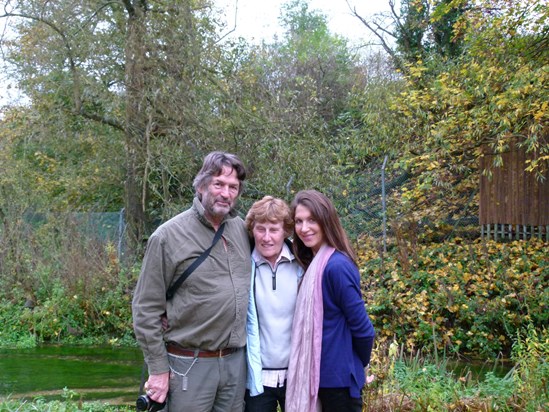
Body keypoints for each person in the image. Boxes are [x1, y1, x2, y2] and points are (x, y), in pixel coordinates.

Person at [132, 151, 252, 412]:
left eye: (233, 187)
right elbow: (145, 309)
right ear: (201, 185)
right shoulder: (167, 237)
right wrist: (158, 369)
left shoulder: (243, 231)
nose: (226, 193)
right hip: (188, 365)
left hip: (235, 364)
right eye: (218, 184)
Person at [285, 189, 376, 412]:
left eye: (312, 220)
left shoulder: (336, 267)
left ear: (326, 220)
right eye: (299, 221)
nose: (304, 228)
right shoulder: (314, 264)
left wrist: (355, 363)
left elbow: (364, 330)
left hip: (339, 384)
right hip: (320, 380)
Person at [244, 196, 303, 412]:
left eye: (274, 229)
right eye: (261, 229)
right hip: (257, 377)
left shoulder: (303, 264)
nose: (266, 237)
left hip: (296, 375)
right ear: (252, 230)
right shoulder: (243, 266)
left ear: (286, 231)